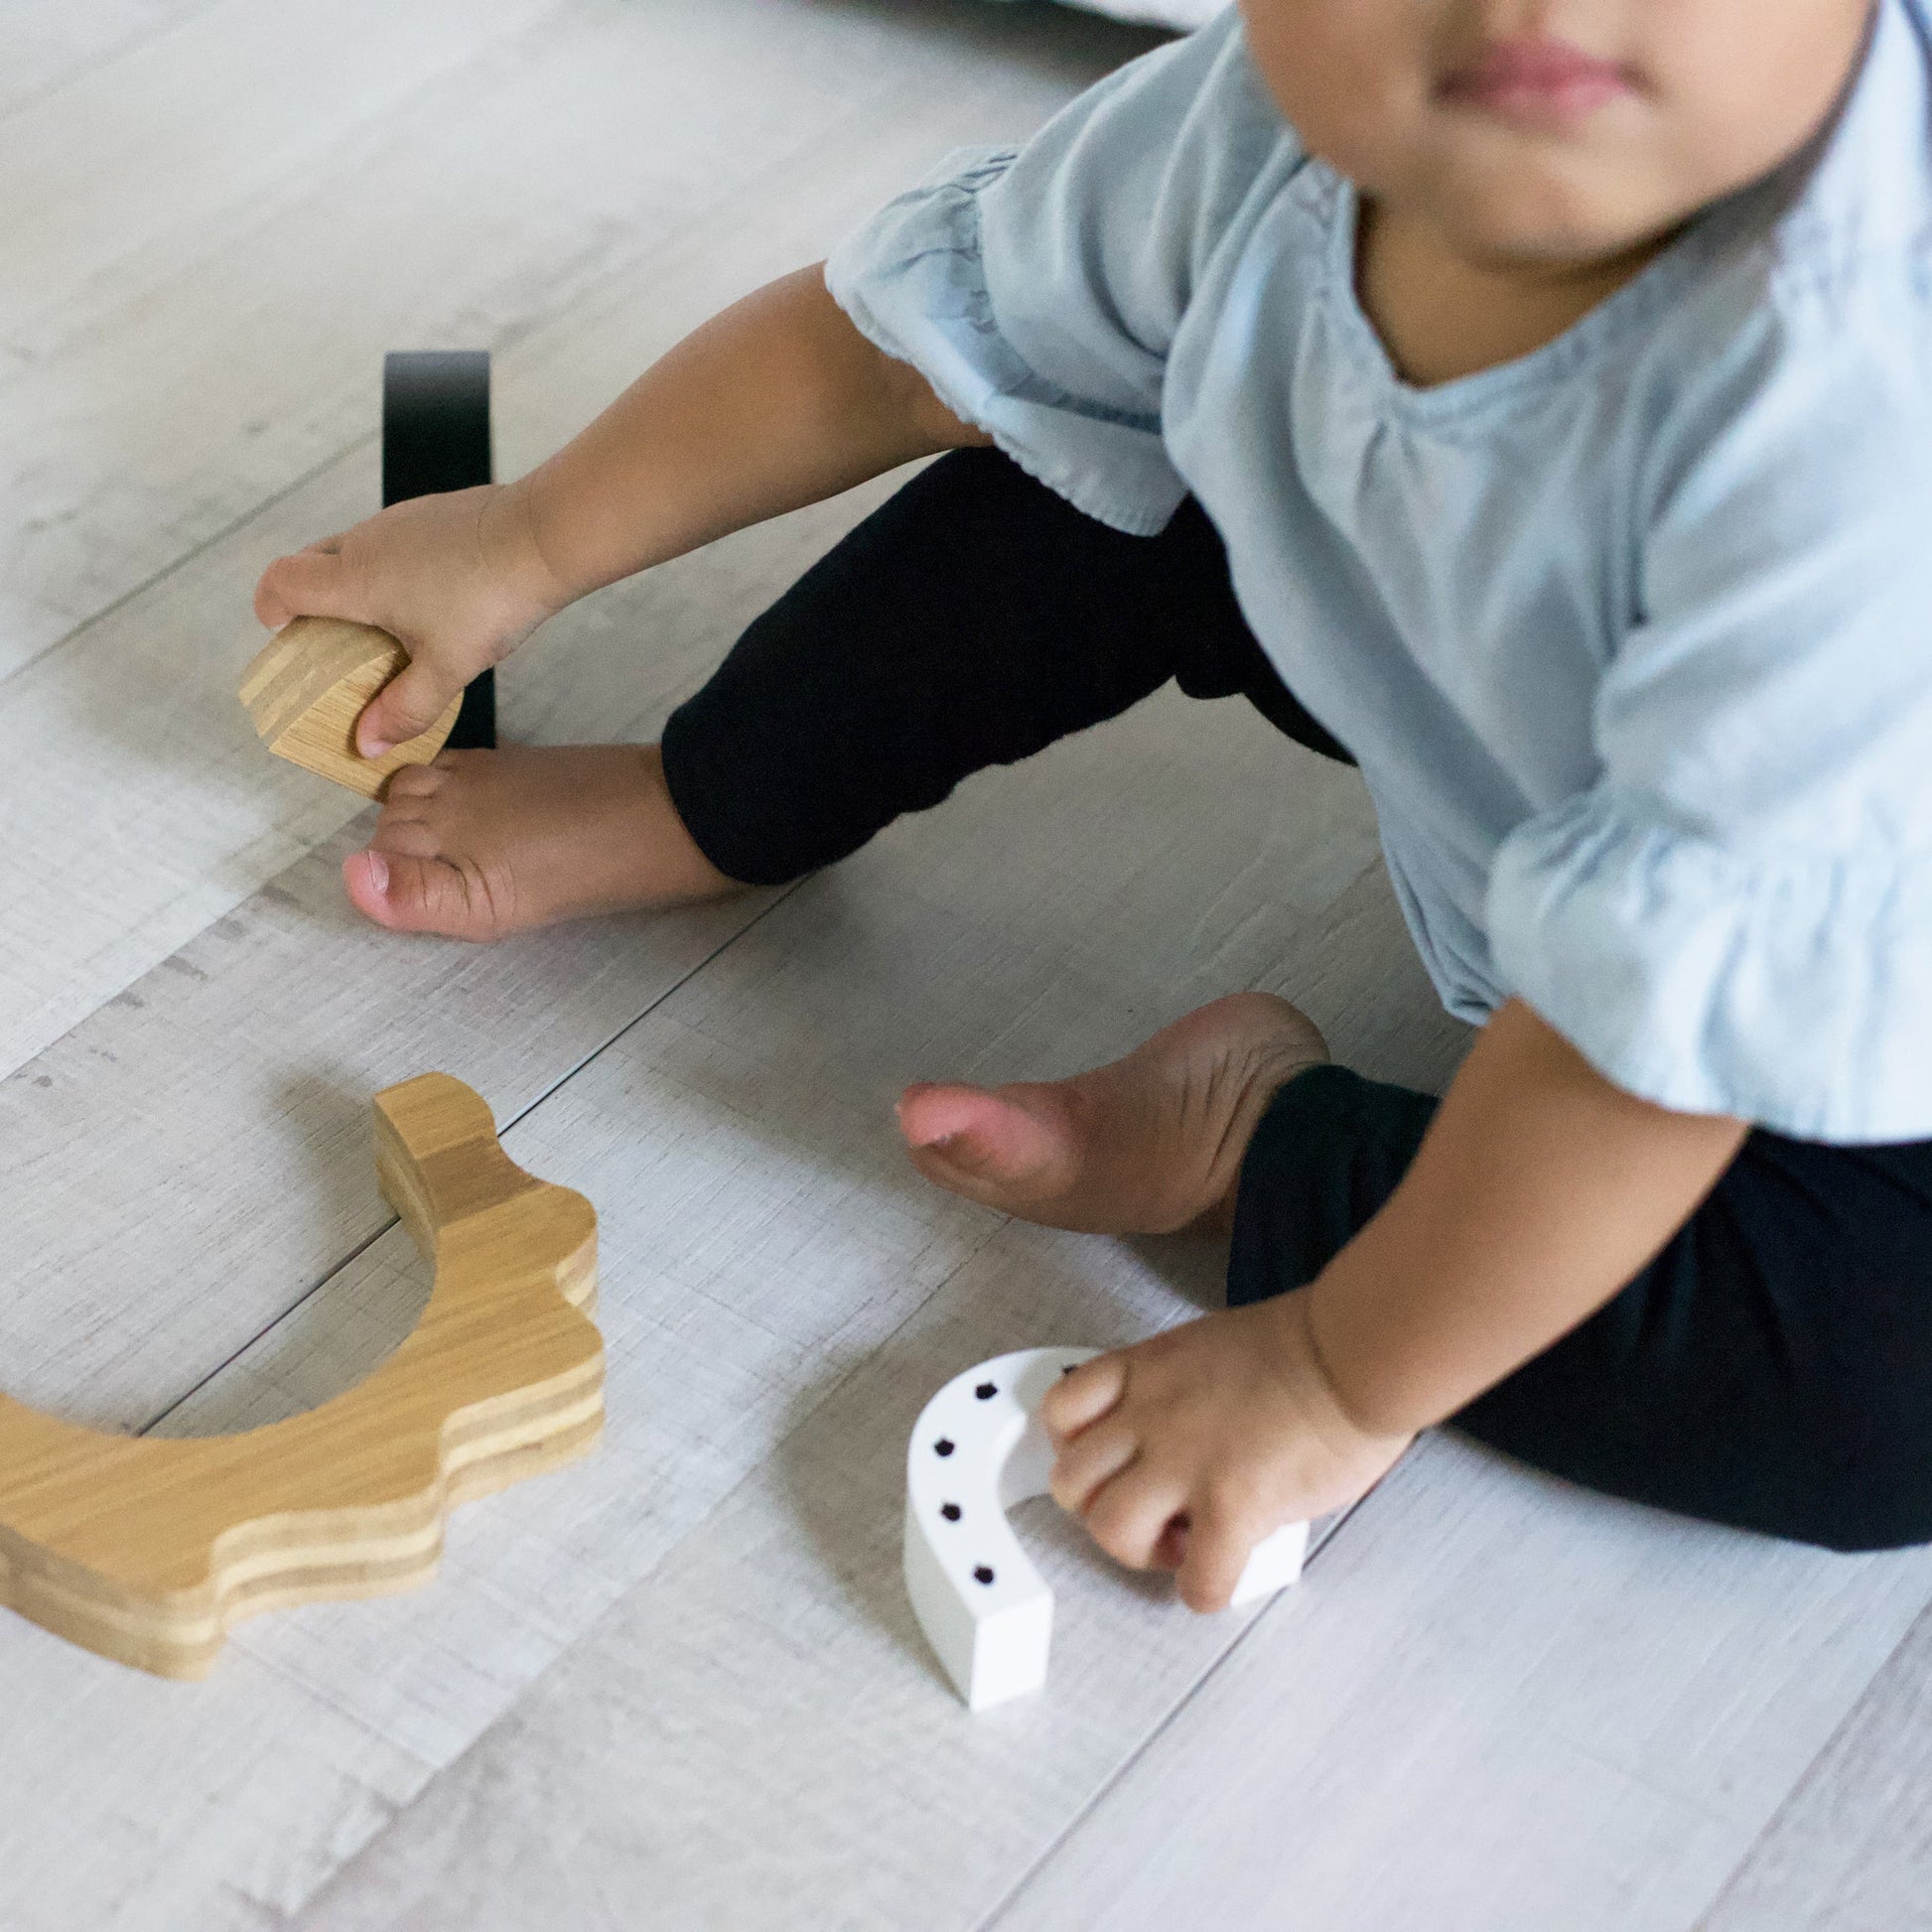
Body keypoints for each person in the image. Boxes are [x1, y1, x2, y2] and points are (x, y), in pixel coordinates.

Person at [257, 0, 1932, 1611]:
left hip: (1844, 1041)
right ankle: (713, 795)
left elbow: (1633, 1056)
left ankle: (1263, 1146)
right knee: (1104, 430)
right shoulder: (1266, 136)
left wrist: (1332, 1371)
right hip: (1529, 761)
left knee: (1878, 1400)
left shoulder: (1852, 431)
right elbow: (905, 360)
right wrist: (531, 537)